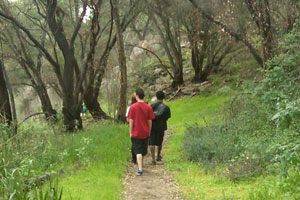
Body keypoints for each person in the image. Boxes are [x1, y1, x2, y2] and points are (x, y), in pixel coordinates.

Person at [127, 88, 154, 175]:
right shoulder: (148, 107)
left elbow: (131, 121)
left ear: (137, 96)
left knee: (138, 151)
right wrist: (149, 131)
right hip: (145, 132)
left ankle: (140, 169)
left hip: (136, 132)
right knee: (143, 150)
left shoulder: (133, 107)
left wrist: (130, 132)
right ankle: (140, 164)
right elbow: (150, 121)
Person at [149, 91, 171, 164]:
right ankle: (158, 155)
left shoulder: (151, 106)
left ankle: (153, 159)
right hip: (161, 126)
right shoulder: (166, 107)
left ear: (156, 97)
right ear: (163, 98)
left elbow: (148, 116)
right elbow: (167, 117)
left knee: (151, 142)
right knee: (159, 141)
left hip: (152, 126)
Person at [126, 92, 137, 164]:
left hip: (133, 127)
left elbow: (127, 119)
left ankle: (134, 158)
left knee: (133, 142)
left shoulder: (130, 107)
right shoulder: (144, 105)